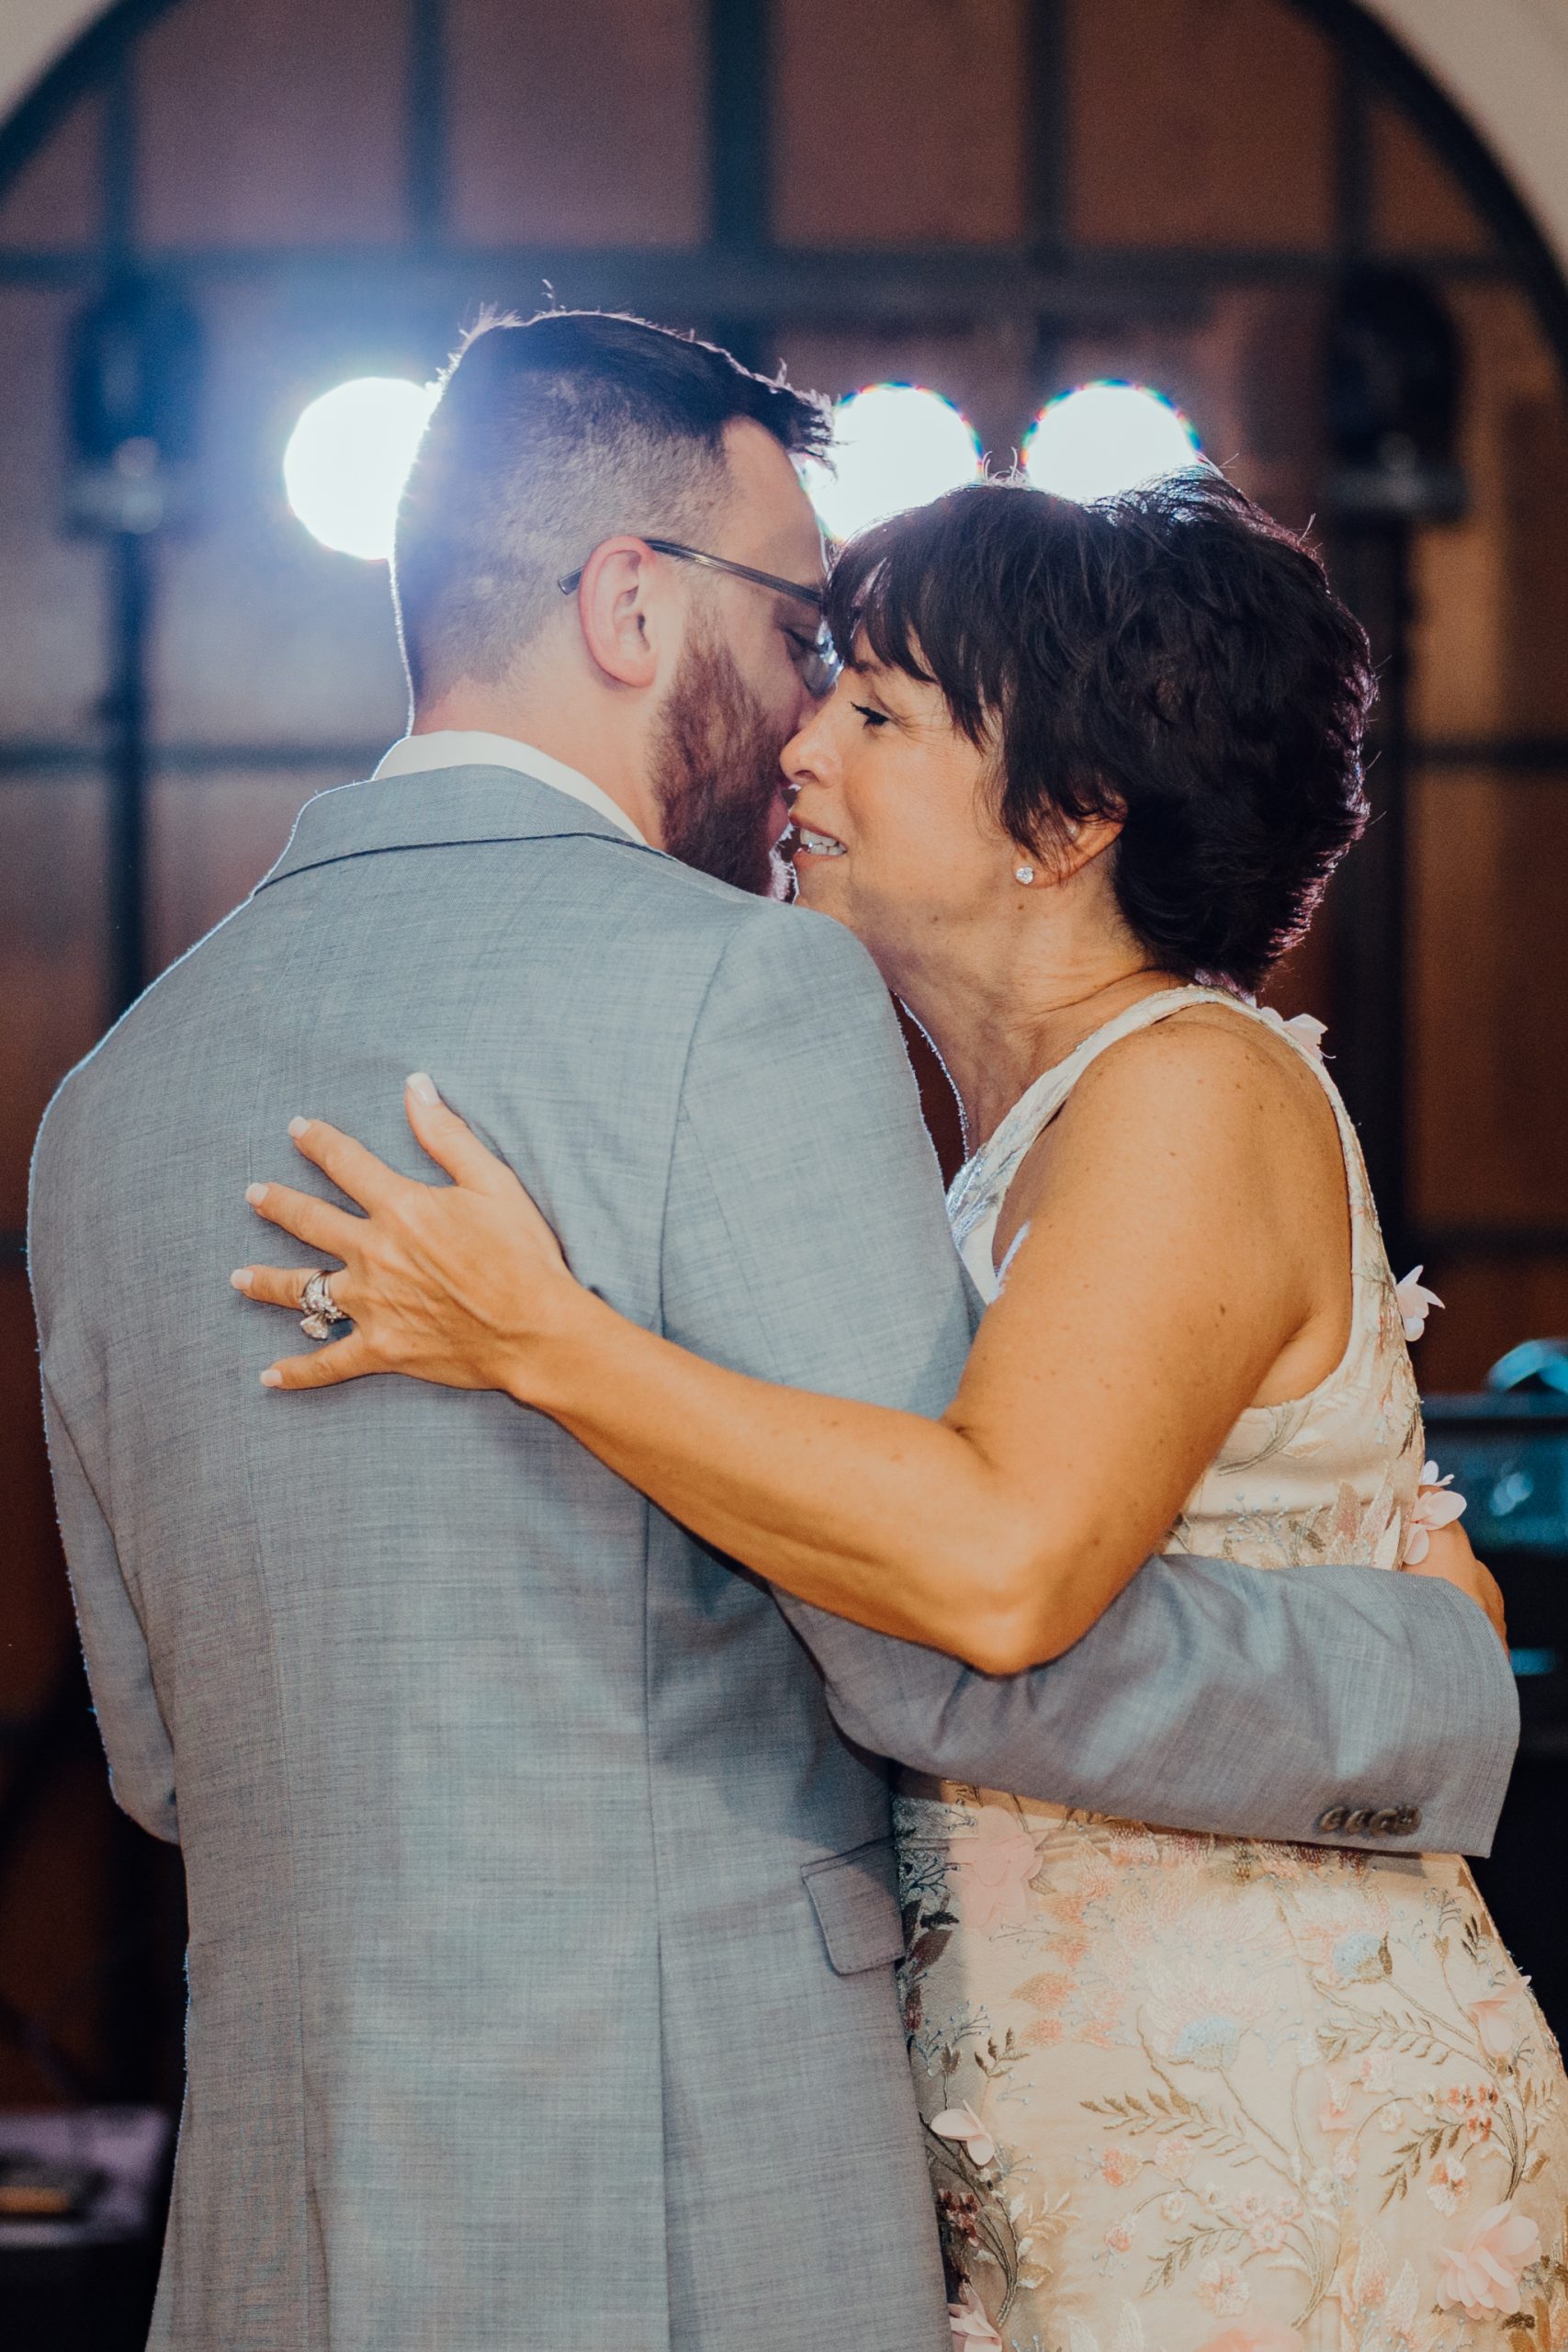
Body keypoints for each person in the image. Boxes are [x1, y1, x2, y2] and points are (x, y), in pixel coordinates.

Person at [29, 311, 1515, 2352]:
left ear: (1069, 811)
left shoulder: (110, 1097)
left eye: (869, 694)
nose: (806, 722)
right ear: (631, 603)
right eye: (806, 632)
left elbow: (158, 1747)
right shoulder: (741, 994)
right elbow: (944, 1640)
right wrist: (1420, 1676)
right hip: (688, 2166)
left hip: (286, 2211)